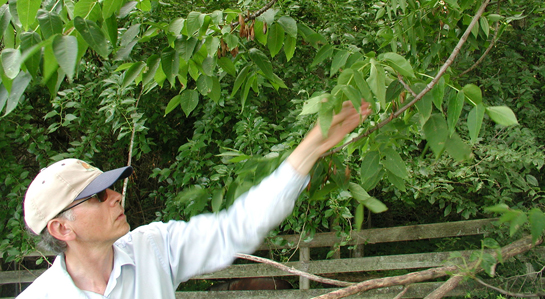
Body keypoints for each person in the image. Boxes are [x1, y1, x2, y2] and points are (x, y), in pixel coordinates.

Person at [19, 100, 372, 299]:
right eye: (97, 196)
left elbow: (236, 228)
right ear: (62, 227)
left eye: (110, 187)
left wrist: (310, 148)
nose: (115, 197)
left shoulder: (154, 247)